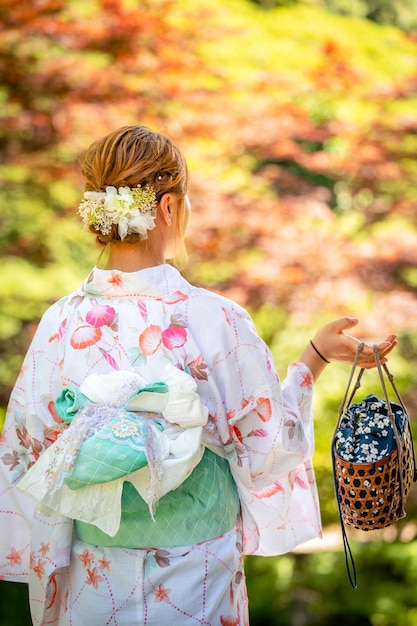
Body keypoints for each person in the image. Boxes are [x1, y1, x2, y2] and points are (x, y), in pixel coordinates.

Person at [0, 125, 396, 626]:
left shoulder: (61, 322)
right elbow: (267, 446)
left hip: (93, 575)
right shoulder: (216, 319)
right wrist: (313, 357)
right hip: (197, 572)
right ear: (168, 208)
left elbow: (27, 454)